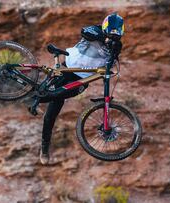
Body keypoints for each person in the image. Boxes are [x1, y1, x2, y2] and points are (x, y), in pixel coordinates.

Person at [39, 13, 124, 165]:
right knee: (51, 108)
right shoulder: (95, 30)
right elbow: (85, 32)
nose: (113, 36)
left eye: (116, 33)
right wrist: (103, 39)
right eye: (111, 32)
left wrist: (111, 57)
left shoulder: (117, 45)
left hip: (83, 79)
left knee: (56, 98)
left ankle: (44, 147)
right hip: (69, 69)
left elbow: (110, 62)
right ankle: (44, 147)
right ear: (105, 27)